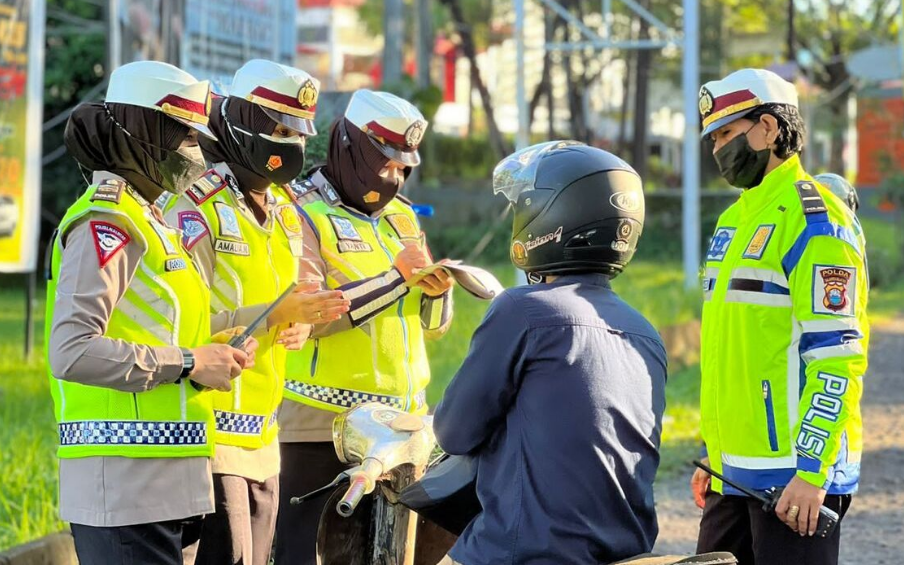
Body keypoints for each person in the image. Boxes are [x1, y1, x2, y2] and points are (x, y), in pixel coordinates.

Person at [48, 61, 260, 565]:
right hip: (123, 485)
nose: (196, 154)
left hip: (169, 480)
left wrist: (213, 353)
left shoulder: (155, 221)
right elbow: (72, 350)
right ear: (144, 132)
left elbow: (155, 330)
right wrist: (187, 362)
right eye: (185, 138)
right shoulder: (108, 220)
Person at [433, 141, 668, 565]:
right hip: (624, 551)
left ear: (552, 215)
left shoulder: (523, 310)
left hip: (524, 552)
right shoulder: (645, 332)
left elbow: (453, 432)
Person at [161, 59, 351, 565]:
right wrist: (269, 316)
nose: (292, 143)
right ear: (245, 121)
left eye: (299, 132)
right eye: (280, 129)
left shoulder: (287, 208)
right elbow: (180, 323)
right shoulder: (195, 204)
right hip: (207, 433)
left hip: (264, 435)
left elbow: (289, 297)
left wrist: (301, 321)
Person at [691, 69, 868, 565]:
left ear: (768, 129)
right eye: (713, 138)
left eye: (727, 133)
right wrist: (713, 452)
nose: (717, 149)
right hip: (732, 473)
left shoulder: (817, 221)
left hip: (793, 478)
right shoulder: (733, 220)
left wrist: (813, 473)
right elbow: (731, 349)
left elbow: (837, 356)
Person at [273, 90, 454, 564]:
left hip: (401, 427)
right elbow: (308, 313)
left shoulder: (402, 217)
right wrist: (396, 280)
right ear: (351, 147)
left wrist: (438, 291)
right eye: (386, 164)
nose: (394, 177)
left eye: (403, 168)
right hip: (321, 427)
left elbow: (433, 327)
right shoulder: (300, 211)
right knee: (308, 554)